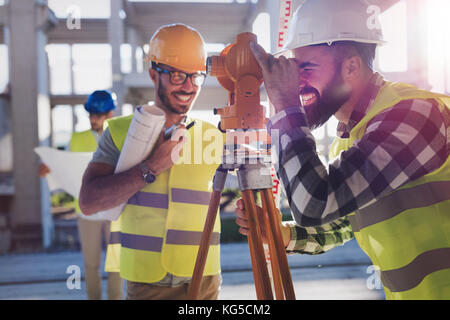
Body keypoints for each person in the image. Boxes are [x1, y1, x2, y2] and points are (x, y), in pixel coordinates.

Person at [234, 0, 450, 300]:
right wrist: (279, 234)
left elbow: (314, 203)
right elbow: (340, 225)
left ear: (351, 66)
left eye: (305, 67)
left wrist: (285, 105)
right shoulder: (351, 139)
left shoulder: (415, 115)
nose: (296, 81)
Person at [78, 23, 223, 300]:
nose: (189, 87)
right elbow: (89, 201)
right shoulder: (120, 132)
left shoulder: (212, 135)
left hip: (204, 279)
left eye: (197, 76)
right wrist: (150, 167)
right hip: (147, 282)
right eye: (179, 75)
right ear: (154, 74)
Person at [39, 90, 123, 300]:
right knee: (91, 264)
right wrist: (48, 167)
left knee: (117, 265)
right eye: (91, 115)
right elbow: (62, 164)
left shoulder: (122, 138)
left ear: (110, 114)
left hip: (115, 212)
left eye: (97, 115)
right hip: (86, 213)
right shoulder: (77, 139)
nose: (92, 119)